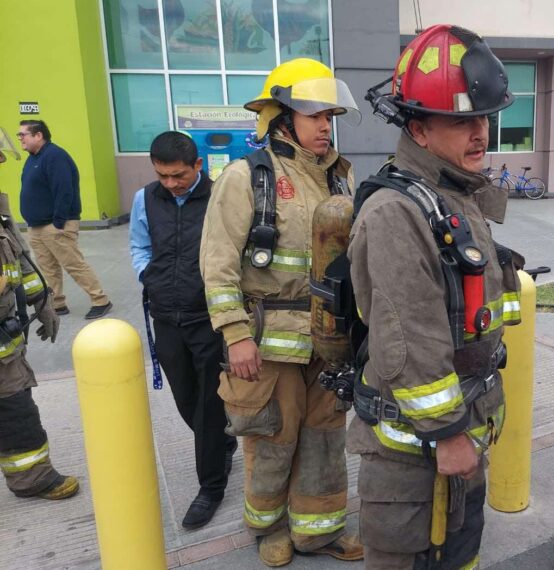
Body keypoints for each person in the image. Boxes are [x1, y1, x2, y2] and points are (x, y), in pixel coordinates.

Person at [347, 24, 523, 569]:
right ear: (419, 130)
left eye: (483, 119)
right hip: (413, 454)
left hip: (463, 431)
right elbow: (409, 340)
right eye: (461, 120)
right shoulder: (397, 212)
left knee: (462, 554)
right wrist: (448, 436)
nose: (480, 134)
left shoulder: (454, 193)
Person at [200, 58, 363, 567]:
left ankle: (318, 530)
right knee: (272, 438)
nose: (324, 125)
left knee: (324, 440)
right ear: (281, 116)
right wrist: (234, 334)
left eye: (329, 115)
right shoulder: (247, 177)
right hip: (268, 340)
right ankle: (267, 526)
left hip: (330, 339)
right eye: (313, 114)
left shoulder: (343, 177)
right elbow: (217, 264)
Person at [128, 131, 237, 529]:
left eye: (178, 176)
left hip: (209, 317)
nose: (171, 184)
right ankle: (223, 442)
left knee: (209, 402)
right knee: (185, 397)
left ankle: (211, 486)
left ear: (198, 166)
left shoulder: (221, 198)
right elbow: (139, 246)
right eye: (163, 176)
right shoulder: (145, 199)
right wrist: (148, 277)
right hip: (164, 315)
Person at [0, 149, 78, 501]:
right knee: (16, 414)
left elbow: (18, 262)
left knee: (16, 410)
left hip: (6, 347)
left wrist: (42, 301)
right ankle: (32, 479)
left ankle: (31, 477)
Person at [17, 120, 111, 319]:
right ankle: (57, 304)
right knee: (48, 267)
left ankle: (100, 300)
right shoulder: (33, 158)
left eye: (23, 134)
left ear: (38, 135)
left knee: (73, 264)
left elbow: (64, 190)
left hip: (55, 225)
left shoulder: (55, 156)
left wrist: (59, 222)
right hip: (36, 226)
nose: (20, 139)